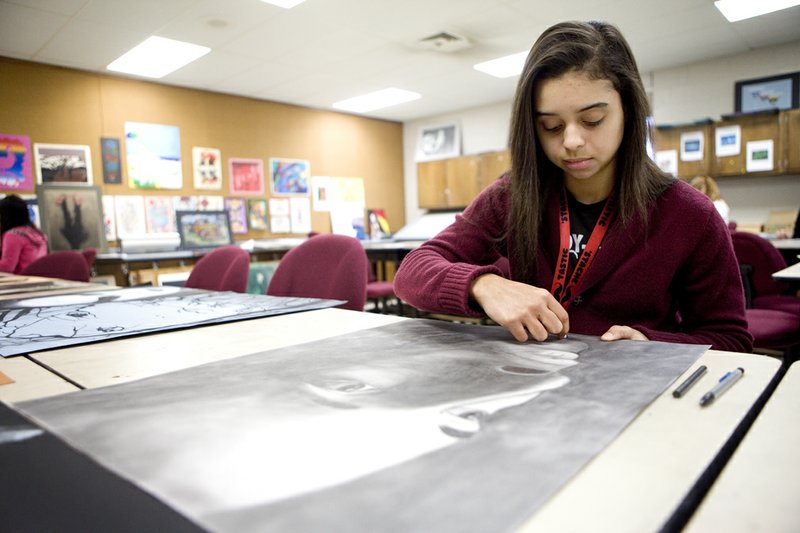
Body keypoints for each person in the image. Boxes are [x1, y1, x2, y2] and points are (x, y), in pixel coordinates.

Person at [394, 21, 752, 353]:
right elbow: (412, 271)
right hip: (529, 382)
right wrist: (484, 285)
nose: (572, 141)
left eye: (592, 119)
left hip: (628, 390)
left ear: (628, 109)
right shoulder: (512, 196)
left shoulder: (689, 213)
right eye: (551, 125)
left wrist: (651, 343)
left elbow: (730, 339)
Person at [0, 194, 48, 274]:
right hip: (38, 280)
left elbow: (7, 267)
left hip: (19, 281)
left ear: (5, 215)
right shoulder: (37, 232)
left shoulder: (13, 235)